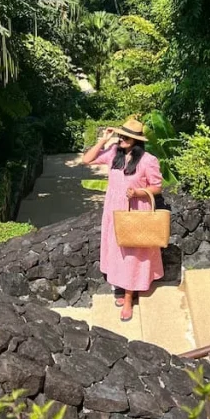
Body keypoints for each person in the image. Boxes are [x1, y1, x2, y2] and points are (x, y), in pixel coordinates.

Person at [82, 116, 164, 321]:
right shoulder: (113, 153)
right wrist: (104, 139)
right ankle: (122, 287)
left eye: (126, 138)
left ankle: (128, 298)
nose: (122, 140)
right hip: (113, 210)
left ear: (136, 140)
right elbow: (87, 159)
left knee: (132, 254)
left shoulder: (148, 160)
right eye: (121, 136)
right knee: (117, 251)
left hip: (136, 210)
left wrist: (138, 192)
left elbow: (157, 187)